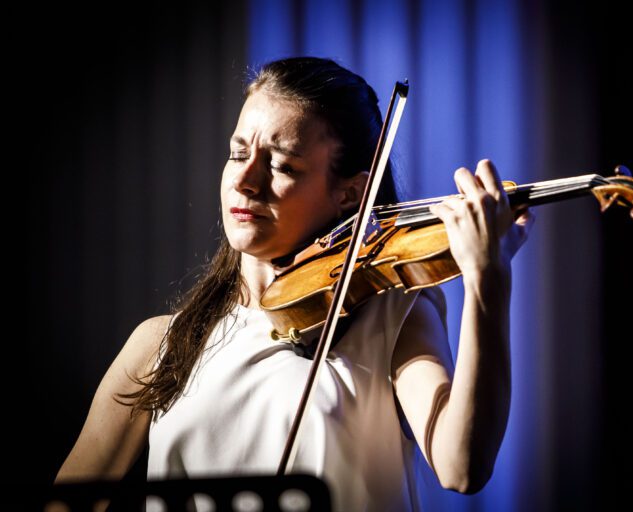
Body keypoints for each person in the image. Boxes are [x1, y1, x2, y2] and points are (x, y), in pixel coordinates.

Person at [55, 57, 534, 511]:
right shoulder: (161, 343)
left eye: (282, 166)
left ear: (352, 193)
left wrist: (488, 278)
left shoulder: (394, 318)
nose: (245, 180)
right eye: (238, 153)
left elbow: (462, 467)